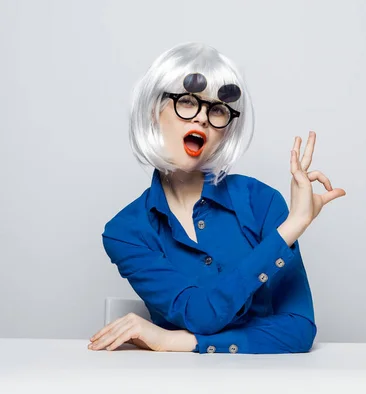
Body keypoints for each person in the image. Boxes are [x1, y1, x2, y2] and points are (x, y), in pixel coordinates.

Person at [88, 42, 346, 354]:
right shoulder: (125, 233)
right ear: (155, 110)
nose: (201, 119)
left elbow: (298, 329)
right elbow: (200, 314)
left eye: (218, 110)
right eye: (186, 102)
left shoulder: (261, 203)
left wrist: (176, 341)